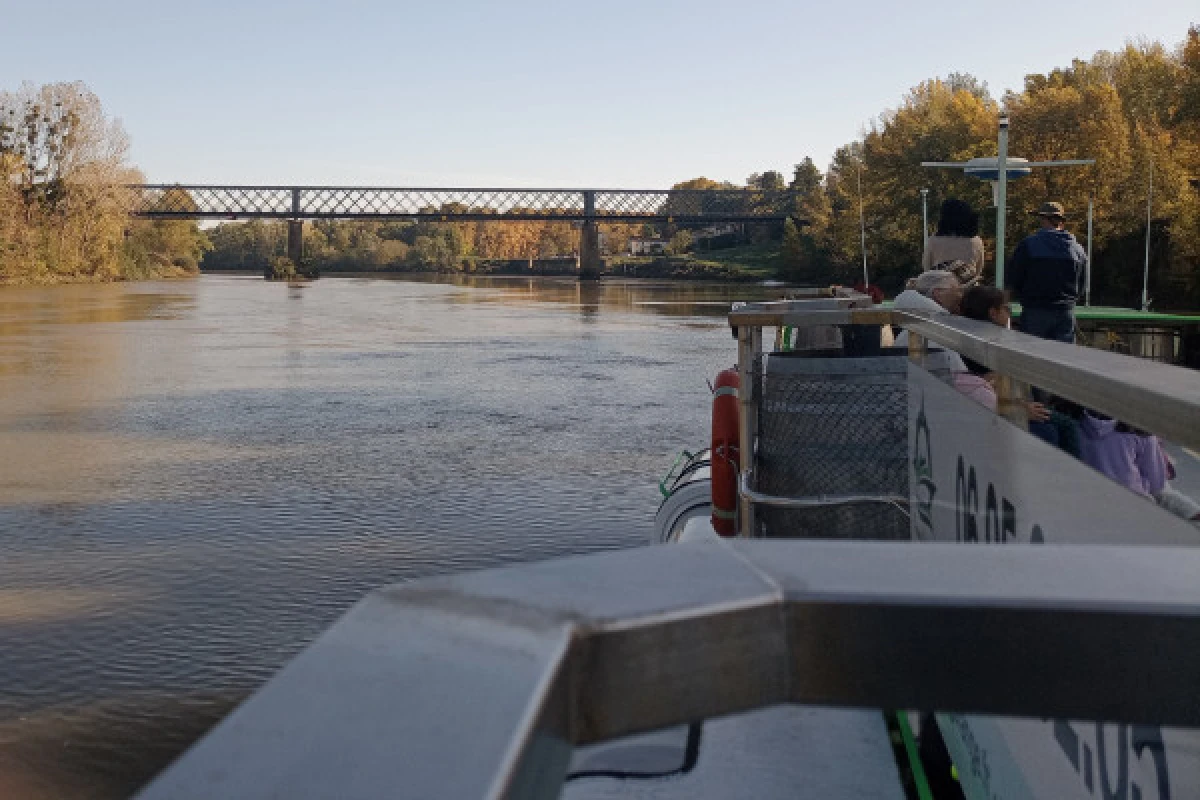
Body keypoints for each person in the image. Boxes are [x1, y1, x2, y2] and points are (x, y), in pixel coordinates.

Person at [1006, 201, 1087, 343]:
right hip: (1065, 312)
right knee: (1063, 359)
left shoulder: (1028, 245)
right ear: (1061, 221)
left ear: (1043, 219)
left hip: (1035, 311)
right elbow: (1082, 284)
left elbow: (1014, 278)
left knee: (1032, 357)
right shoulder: (1077, 249)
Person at [893, 270, 967, 374]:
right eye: (958, 290)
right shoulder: (934, 331)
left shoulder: (914, 327)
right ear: (938, 294)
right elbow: (959, 380)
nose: (961, 296)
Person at [922, 199, 985, 286]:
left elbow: (927, 268)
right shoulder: (976, 241)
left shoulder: (934, 241)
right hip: (969, 290)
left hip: (941, 289)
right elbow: (979, 269)